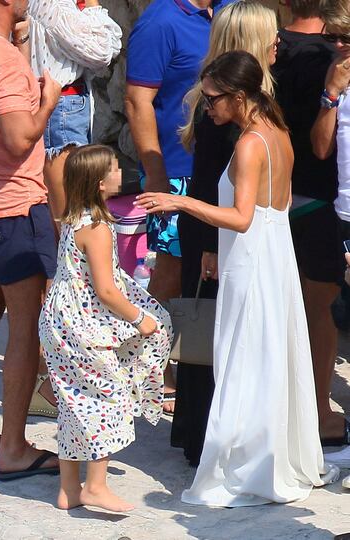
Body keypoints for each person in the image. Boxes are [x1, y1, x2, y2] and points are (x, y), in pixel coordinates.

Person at [136, 50, 340, 507]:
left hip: (252, 258)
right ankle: (271, 457)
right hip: (273, 255)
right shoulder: (277, 129)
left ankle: (247, 464)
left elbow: (242, 217)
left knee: (244, 357)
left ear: (240, 95)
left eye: (212, 100)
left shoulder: (250, 143)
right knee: (267, 354)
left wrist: (182, 203)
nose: (207, 108)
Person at [173, 0, 279, 467]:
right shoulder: (225, 113)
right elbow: (214, 184)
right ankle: (207, 438)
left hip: (214, 228)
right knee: (217, 337)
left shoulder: (225, 105)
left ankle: (207, 435)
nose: (280, 46)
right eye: (272, 37)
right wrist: (212, 245)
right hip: (215, 234)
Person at [39, 145, 172, 511]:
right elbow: (106, 289)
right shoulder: (97, 228)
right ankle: (95, 486)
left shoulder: (73, 218)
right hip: (81, 327)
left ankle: (69, 489)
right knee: (106, 397)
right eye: (116, 169)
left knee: (73, 401)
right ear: (100, 183)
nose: (122, 174)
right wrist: (139, 318)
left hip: (58, 321)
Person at [125, 0, 233, 414]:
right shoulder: (161, 20)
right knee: (171, 273)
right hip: (178, 170)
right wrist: (154, 171)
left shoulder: (228, 9)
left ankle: (189, 367)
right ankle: (148, 368)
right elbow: (137, 101)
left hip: (224, 165)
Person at [27, 0, 122, 417]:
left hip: (68, 107)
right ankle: (51, 377)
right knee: (65, 247)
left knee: (66, 247)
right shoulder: (50, 3)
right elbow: (102, 48)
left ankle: (51, 371)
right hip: (60, 109)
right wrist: (95, 11)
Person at [0, 0, 62, 480]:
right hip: (13, 207)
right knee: (24, 328)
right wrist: (49, 101)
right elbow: (18, 139)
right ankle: (14, 447)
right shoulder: (3, 60)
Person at [273, 0, 346, 447]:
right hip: (318, 199)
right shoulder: (326, 61)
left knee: (297, 307)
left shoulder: (269, 45)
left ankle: (306, 413)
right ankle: (316, 415)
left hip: (282, 192)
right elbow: (320, 146)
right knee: (317, 308)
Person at [311, 0, 350, 490]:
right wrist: (330, 96)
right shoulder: (332, 82)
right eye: (333, 38)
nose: (338, 47)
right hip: (342, 215)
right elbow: (321, 148)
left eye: (345, 38)